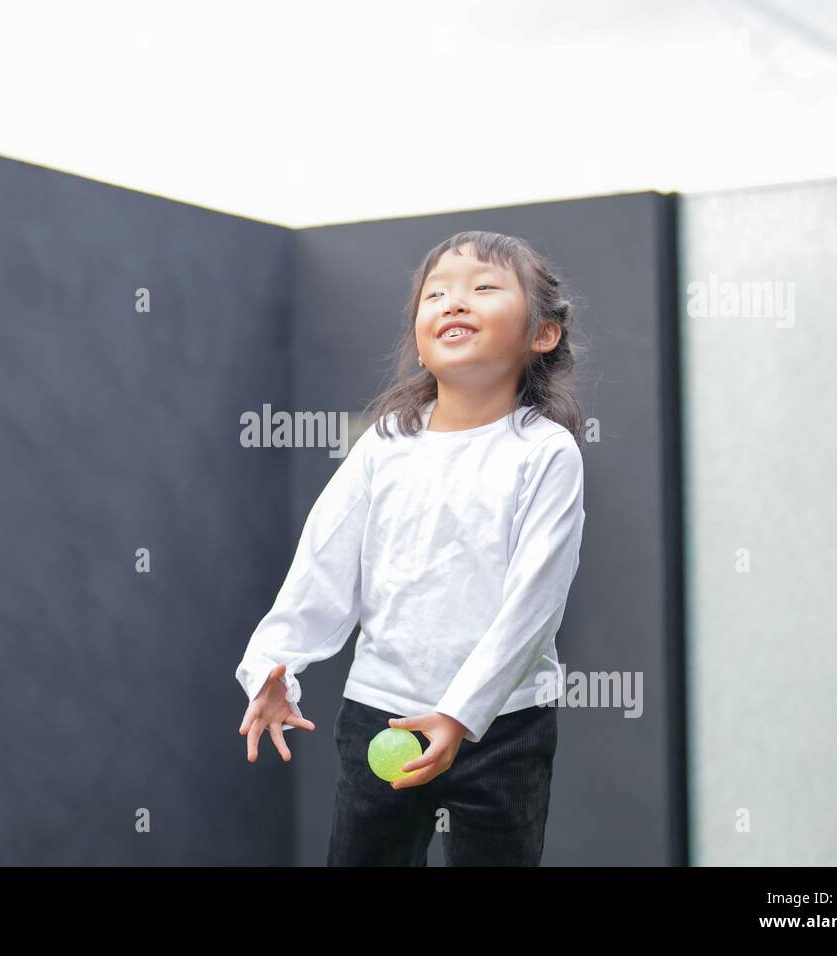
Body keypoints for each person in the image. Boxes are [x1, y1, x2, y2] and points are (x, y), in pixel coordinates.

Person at [235, 229, 587, 866]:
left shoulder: (546, 453)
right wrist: (270, 665)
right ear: (420, 341)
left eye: (483, 288)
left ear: (543, 334)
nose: (455, 303)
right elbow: (323, 564)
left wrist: (460, 716)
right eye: (437, 295)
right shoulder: (384, 444)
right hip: (381, 716)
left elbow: (533, 607)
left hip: (503, 726)